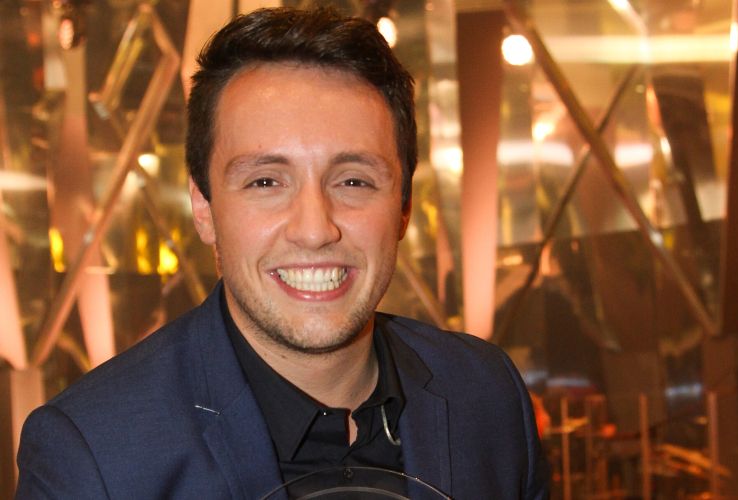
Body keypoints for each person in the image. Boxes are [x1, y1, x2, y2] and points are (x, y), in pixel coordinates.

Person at [15, 7, 549, 499]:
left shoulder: (487, 395)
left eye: (354, 181)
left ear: (404, 206)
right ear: (204, 207)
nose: (314, 230)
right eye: (266, 181)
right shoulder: (94, 457)